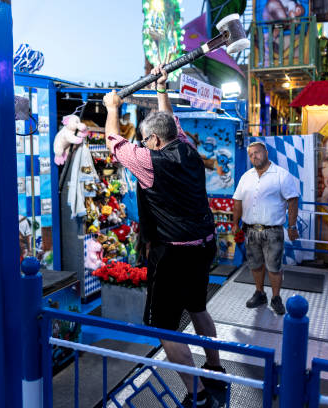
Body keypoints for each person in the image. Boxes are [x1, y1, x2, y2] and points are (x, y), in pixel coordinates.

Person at [103, 66, 225, 408]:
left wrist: (112, 109)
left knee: (165, 327)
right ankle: (214, 367)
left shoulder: (150, 161)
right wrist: (161, 90)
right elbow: (170, 120)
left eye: (146, 140)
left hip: (173, 255)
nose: (144, 145)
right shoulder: (187, 148)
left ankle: (197, 393)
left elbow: (115, 144)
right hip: (203, 246)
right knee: (198, 307)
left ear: (155, 141)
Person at [232, 142, 300, 315]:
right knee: (255, 265)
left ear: (266, 153)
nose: (254, 156)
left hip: (273, 231)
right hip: (250, 230)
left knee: (274, 267)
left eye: (257, 152)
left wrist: (292, 226)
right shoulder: (246, 176)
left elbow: (292, 201)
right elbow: (237, 201)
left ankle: (276, 298)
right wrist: (235, 223)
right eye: (251, 154)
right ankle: (260, 293)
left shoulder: (281, 175)